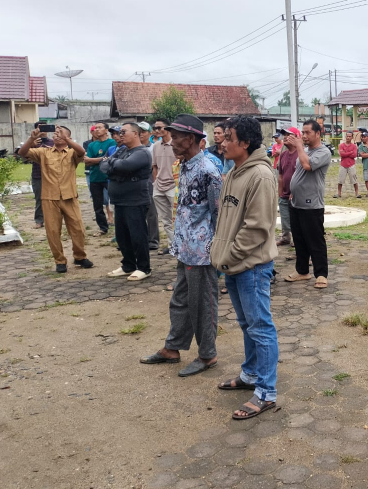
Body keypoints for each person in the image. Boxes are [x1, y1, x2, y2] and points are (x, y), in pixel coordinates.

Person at [141, 114, 222, 377]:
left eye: (175, 137)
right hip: (185, 246)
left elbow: (219, 213)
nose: (170, 141)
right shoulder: (184, 165)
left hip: (202, 251)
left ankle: (208, 354)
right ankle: (173, 347)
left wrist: (218, 250)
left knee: (203, 304)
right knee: (180, 299)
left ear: (190, 139)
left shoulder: (209, 170)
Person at [212, 115, 279, 420]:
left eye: (228, 137)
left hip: (251, 266)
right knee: (246, 324)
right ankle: (250, 375)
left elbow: (257, 228)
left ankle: (266, 392)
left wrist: (229, 256)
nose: (222, 142)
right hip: (233, 264)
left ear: (245, 143)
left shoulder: (260, 176)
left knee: (261, 328)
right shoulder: (234, 172)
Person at [17, 126, 93, 273]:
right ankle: (60, 261)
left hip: (69, 197)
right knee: (52, 231)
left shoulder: (72, 153)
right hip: (49, 198)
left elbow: (82, 152)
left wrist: (67, 139)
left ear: (68, 137)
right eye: (55, 133)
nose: (56, 135)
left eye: (60, 133)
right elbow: (22, 153)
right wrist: (32, 138)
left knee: (78, 229)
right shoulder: (43, 152)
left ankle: (79, 257)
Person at [101, 122, 153, 281]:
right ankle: (128, 265)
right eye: (120, 132)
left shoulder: (142, 152)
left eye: (124, 132)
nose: (120, 135)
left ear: (135, 134)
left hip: (135, 200)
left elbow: (125, 166)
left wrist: (112, 163)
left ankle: (144, 267)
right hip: (120, 200)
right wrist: (114, 165)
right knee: (122, 236)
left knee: (138, 235)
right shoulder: (122, 150)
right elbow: (103, 167)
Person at [284, 120, 331, 288]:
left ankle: (321, 274)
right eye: (302, 132)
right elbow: (299, 172)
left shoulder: (323, 152)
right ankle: (302, 271)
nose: (303, 136)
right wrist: (293, 191)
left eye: (307, 132)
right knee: (299, 240)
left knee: (315, 241)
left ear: (318, 134)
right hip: (296, 202)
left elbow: (307, 165)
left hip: (312, 205)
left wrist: (298, 146)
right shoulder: (306, 151)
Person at [83, 122, 116, 236]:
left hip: (109, 177)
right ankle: (103, 227)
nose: (96, 130)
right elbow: (87, 161)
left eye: (99, 127)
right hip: (95, 178)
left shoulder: (112, 143)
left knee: (114, 202)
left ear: (106, 130)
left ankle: (118, 226)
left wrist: (94, 160)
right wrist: (102, 159)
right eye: (95, 128)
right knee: (97, 205)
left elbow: (111, 158)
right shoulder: (92, 145)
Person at [151, 119, 178, 255]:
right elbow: (154, 166)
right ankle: (172, 245)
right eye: (155, 128)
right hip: (159, 186)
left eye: (159, 128)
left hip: (174, 186)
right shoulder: (156, 146)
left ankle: (180, 245)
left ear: (167, 128)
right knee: (165, 219)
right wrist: (155, 181)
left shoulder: (176, 144)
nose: (156, 130)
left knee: (177, 217)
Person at [276, 126, 300, 246]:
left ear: (297, 137)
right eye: (284, 135)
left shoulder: (301, 154)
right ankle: (285, 237)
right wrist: (280, 192)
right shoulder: (283, 154)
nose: (285, 137)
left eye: (289, 135)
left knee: (296, 219)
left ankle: (297, 239)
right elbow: (280, 175)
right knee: (284, 217)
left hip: (297, 194)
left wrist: (295, 192)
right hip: (284, 193)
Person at [139, 122, 159, 252]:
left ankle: (153, 240)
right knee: (138, 213)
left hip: (149, 182)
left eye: (143, 131)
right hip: (136, 184)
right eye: (139, 131)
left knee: (151, 214)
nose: (141, 134)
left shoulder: (153, 148)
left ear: (150, 133)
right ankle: (141, 239)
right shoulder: (132, 148)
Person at [29, 122, 54, 228]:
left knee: (53, 198)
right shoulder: (32, 142)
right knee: (39, 199)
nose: (43, 130)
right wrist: (32, 144)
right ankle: (39, 220)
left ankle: (52, 219)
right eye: (40, 128)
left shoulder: (53, 142)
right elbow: (23, 155)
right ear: (36, 129)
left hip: (51, 175)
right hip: (37, 174)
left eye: (45, 127)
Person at [336, 131, 360, 199]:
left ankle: (357, 193)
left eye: (349, 136)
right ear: (345, 136)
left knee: (354, 180)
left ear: (352, 137)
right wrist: (350, 152)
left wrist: (346, 153)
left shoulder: (354, 146)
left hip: (351, 164)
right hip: (343, 164)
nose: (348, 137)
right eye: (347, 136)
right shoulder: (341, 145)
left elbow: (354, 155)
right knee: (340, 180)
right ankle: (339, 193)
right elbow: (342, 154)